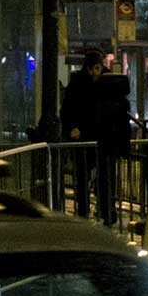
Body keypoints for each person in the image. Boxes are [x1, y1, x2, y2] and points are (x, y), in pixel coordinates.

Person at [61, 49, 104, 217]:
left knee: (93, 174)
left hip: (93, 137)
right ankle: (84, 209)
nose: (94, 72)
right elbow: (68, 110)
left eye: (97, 68)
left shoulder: (101, 84)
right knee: (83, 174)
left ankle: (92, 208)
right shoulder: (78, 84)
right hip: (83, 137)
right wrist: (72, 128)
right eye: (92, 68)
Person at [94, 71, 133, 224]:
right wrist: (125, 147)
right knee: (109, 177)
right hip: (112, 144)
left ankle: (106, 208)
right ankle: (108, 208)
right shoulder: (122, 103)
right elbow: (125, 127)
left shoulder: (101, 102)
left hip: (105, 144)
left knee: (105, 177)